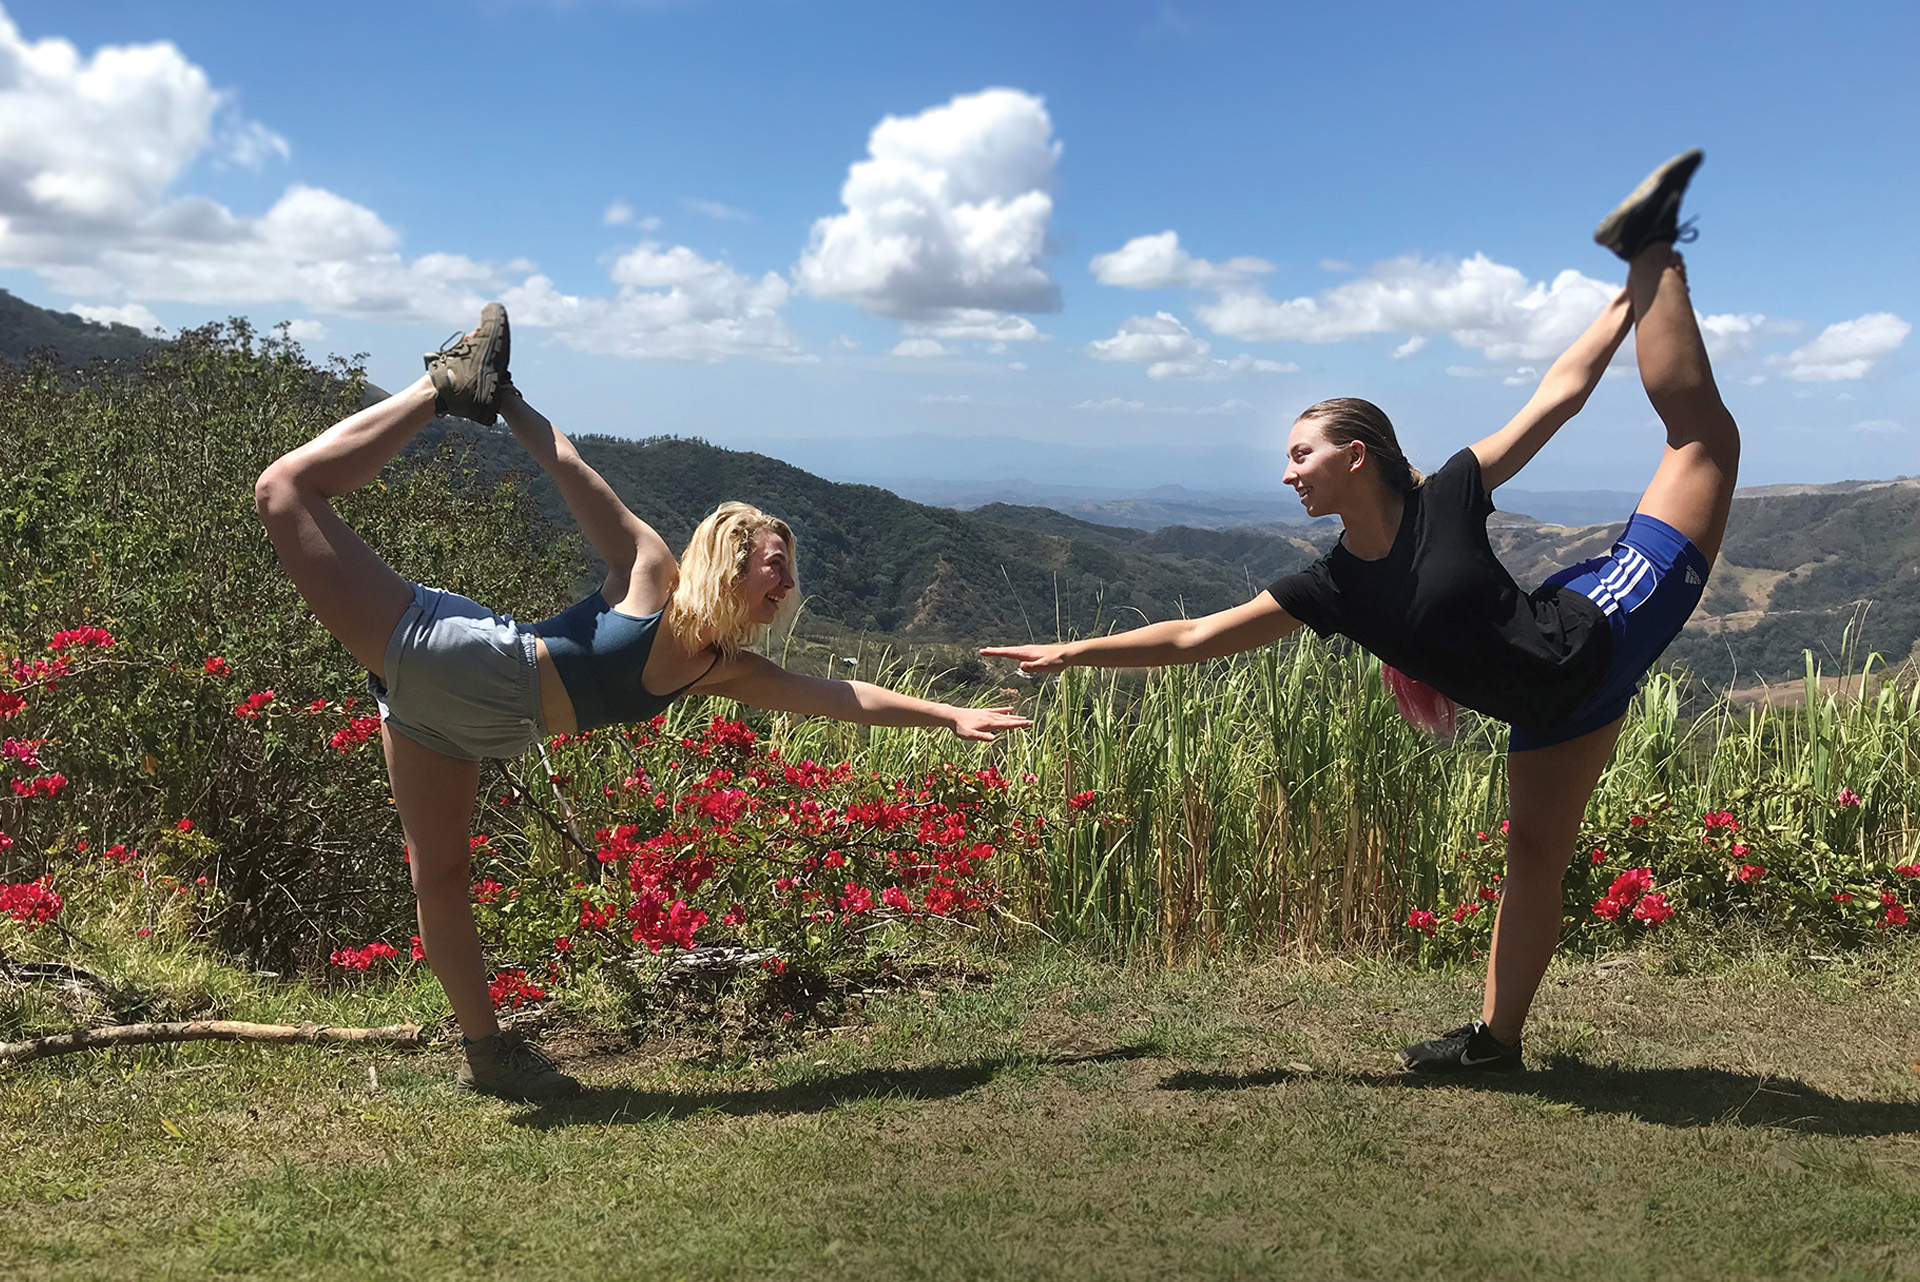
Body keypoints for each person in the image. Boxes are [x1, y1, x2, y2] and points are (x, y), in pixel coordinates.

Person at [983, 150, 1736, 1073]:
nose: (1287, 471)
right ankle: (1496, 1044)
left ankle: (1655, 248)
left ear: (1355, 455)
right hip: (1556, 708)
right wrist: (1073, 651)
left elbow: (1560, 397)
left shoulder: (1448, 494)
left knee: (1701, 436)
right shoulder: (1329, 588)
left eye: (1302, 452)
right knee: (1534, 857)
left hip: (1604, 626)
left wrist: (1628, 296)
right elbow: (1193, 638)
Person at [254, 305, 1029, 1099]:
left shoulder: (721, 668)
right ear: (730, 558)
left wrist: (948, 714)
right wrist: (504, 401)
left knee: (440, 880)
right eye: (775, 564)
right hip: (467, 666)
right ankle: (439, 386)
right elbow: (569, 467)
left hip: (455, 724)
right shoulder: (649, 574)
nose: (789, 584)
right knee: (285, 491)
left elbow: (839, 696)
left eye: (790, 570)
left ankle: (489, 1060)